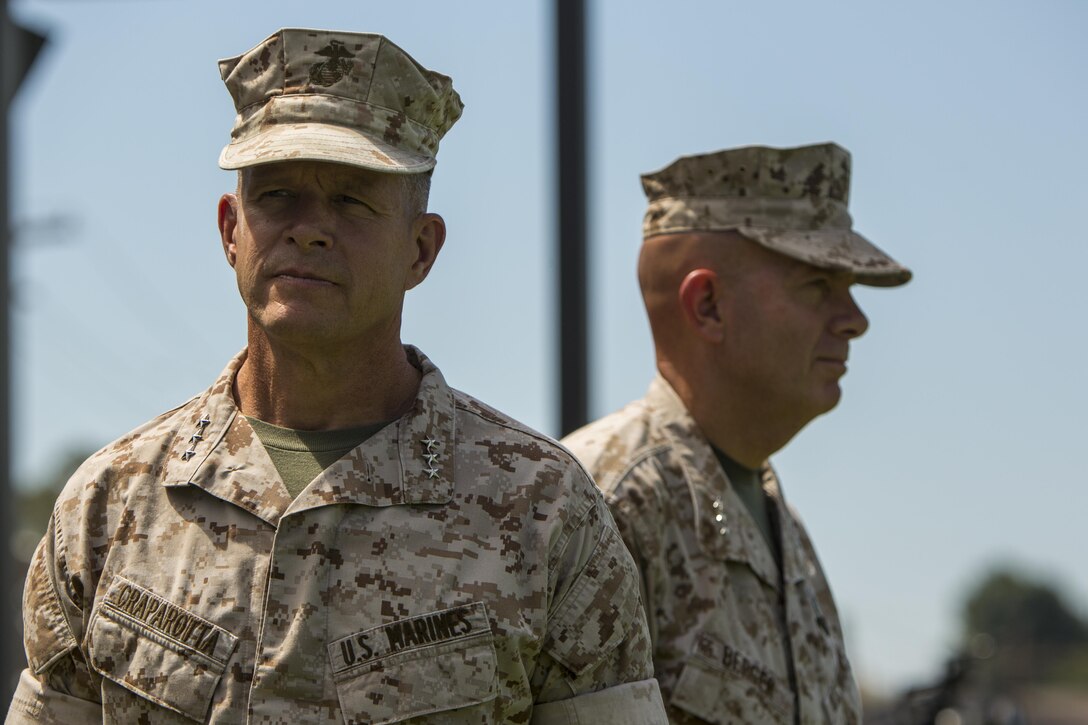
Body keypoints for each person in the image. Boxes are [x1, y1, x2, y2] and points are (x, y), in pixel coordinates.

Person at [8, 28, 666, 724]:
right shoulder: (112, 505)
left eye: (353, 201)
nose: (310, 230)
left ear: (422, 248)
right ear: (231, 229)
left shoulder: (543, 510)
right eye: (278, 195)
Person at [562, 143, 911, 724]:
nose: (855, 319)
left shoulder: (778, 523)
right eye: (818, 286)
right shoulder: (603, 504)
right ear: (708, 306)